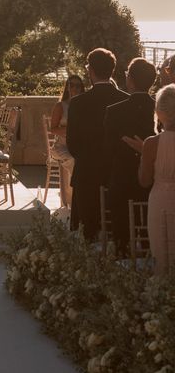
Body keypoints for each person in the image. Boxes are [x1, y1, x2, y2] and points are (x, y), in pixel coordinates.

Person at [66, 48, 128, 241]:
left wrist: (86, 158)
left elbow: (72, 143)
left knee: (87, 233)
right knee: (117, 233)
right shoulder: (125, 100)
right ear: (112, 70)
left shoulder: (77, 103)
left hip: (86, 173)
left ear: (90, 70)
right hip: (117, 175)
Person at [103, 58, 157, 255]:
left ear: (130, 80)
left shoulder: (114, 111)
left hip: (122, 181)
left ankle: (122, 253)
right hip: (152, 182)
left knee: (121, 235)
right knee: (150, 236)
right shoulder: (162, 110)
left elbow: (108, 150)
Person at [131, 85, 175, 274]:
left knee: (162, 256)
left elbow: (144, 181)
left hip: (161, 203)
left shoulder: (151, 144)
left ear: (159, 112)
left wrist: (144, 155)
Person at [49, 75, 85, 207]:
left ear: (82, 88)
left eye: (78, 85)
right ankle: (71, 201)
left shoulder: (84, 106)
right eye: (71, 85)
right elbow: (52, 129)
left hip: (79, 146)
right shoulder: (61, 106)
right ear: (67, 87)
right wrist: (69, 130)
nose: (74, 88)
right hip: (61, 147)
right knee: (73, 160)